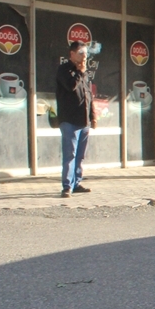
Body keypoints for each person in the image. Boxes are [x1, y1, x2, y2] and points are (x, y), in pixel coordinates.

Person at [55, 41, 96, 197]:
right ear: (72, 54)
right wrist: (79, 72)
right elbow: (71, 86)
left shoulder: (84, 72)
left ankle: (76, 182)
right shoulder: (64, 70)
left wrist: (92, 116)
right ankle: (67, 186)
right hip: (70, 120)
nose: (84, 56)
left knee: (80, 155)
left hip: (83, 120)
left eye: (86, 53)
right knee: (70, 155)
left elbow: (88, 95)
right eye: (81, 53)